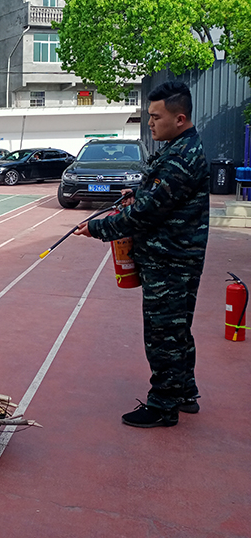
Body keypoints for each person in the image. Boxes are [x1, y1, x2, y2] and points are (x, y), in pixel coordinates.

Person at [74, 81, 209, 429]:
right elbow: (160, 195)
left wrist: (98, 228)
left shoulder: (181, 158)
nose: (150, 123)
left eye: (156, 117)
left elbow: (146, 214)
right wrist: (138, 190)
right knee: (178, 329)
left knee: (163, 334)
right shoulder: (179, 148)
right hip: (175, 256)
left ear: (180, 118)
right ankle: (184, 393)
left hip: (171, 260)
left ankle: (163, 405)